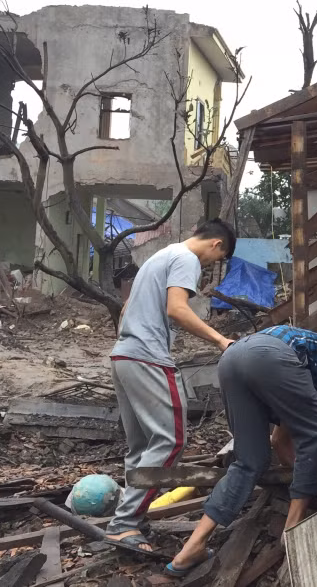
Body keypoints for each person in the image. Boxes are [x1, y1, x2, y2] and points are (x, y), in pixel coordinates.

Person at [167, 314, 317, 575]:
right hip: (269, 355)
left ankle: (191, 548)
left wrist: (312, 484)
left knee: (249, 460)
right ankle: (292, 530)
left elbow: (279, 442)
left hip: (232, 359)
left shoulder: (300, 388)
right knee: (316, 435)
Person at [105, 219, 236, 551]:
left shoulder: (160, 256)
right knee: (171, 439)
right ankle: (125, 523)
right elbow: (177, 309)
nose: (211, 265)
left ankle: (129, 518)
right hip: (148, 357)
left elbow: (125, 310)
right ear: (216, 244)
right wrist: (221, 339)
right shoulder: (187, 259)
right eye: (217, 259)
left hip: (123, 356)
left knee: (141, 446)